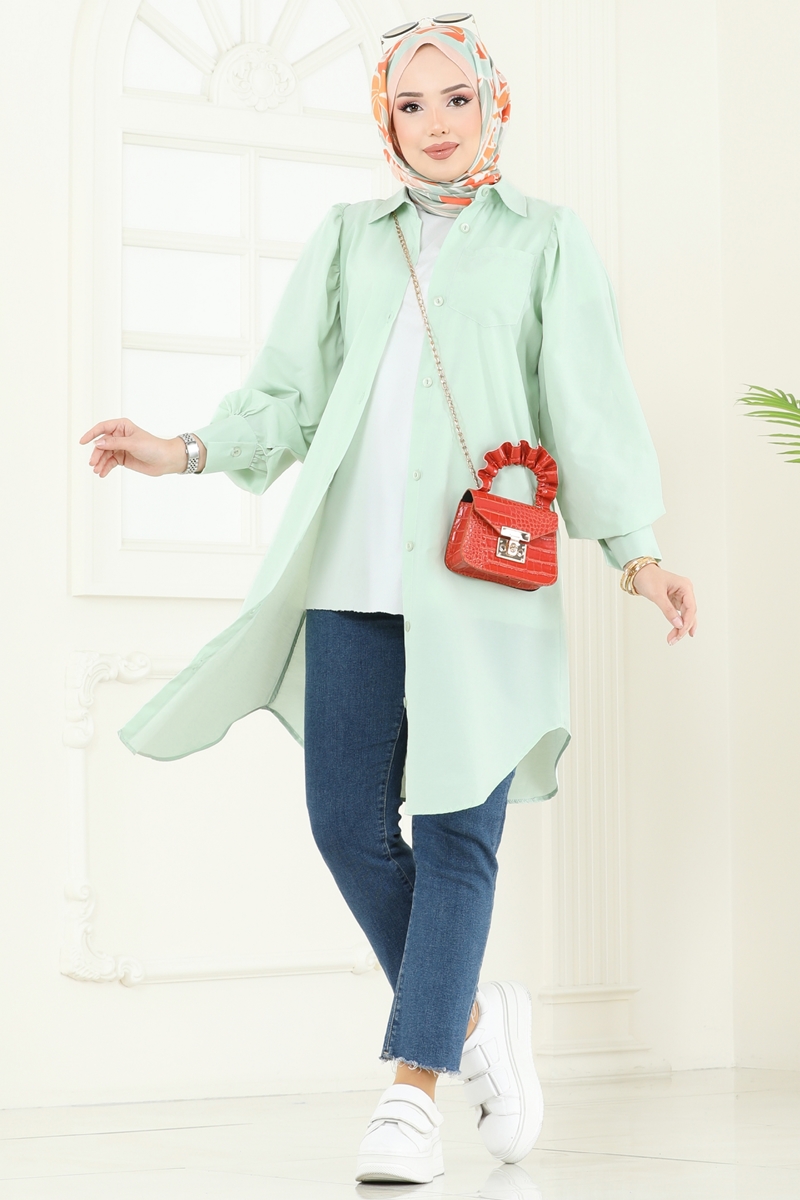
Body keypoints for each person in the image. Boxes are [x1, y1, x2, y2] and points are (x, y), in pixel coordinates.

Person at [80, 13, 697, 1187]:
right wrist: (183, 451)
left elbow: (589, 405)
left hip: (482, 587)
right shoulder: (346, 241)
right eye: (409, 105)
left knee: (457, 831)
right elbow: (286, 396)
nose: (435, 124)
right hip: (349, 581)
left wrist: (636, 554)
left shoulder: (545, 240)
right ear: (384, 120)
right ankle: (470, 1019)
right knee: (344, 823)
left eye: (455, 98)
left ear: (491, 104)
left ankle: (412, 1093)